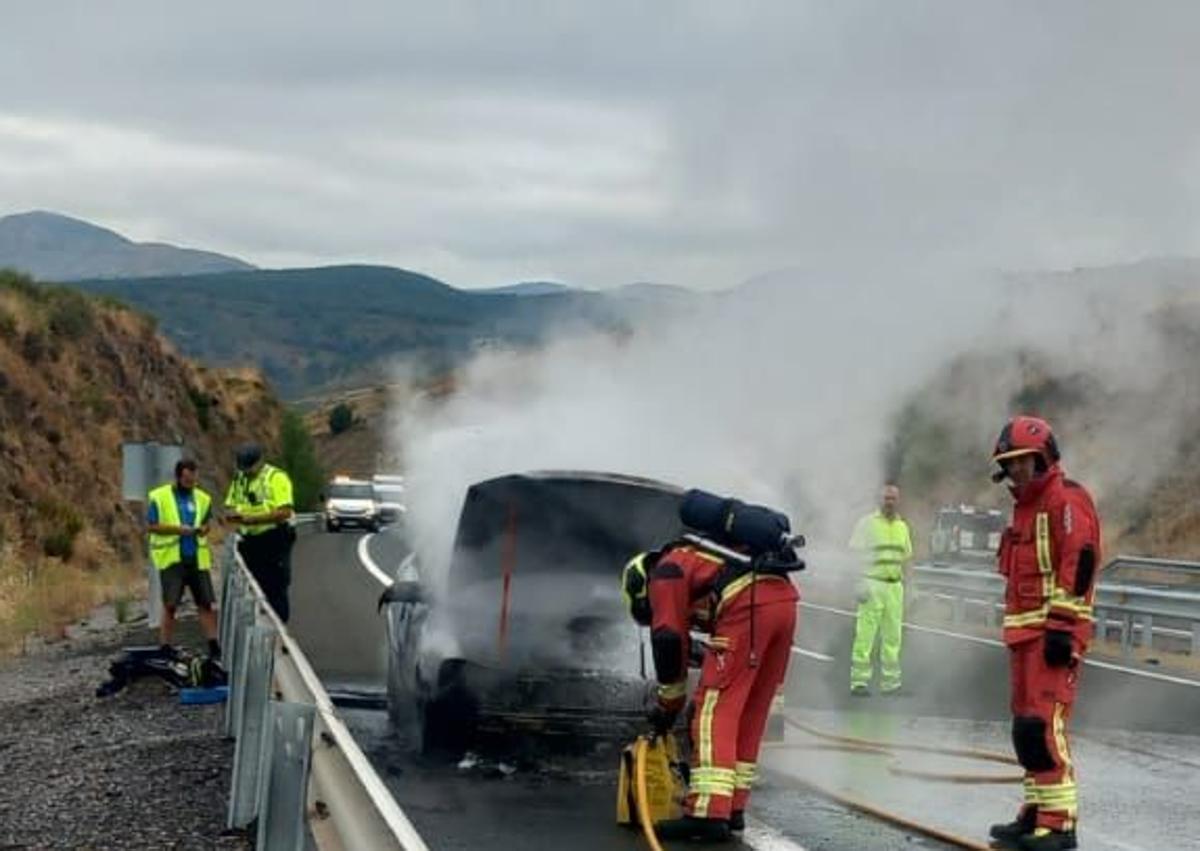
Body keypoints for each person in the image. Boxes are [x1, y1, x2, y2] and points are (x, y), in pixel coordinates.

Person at [621, 511, 799, 842]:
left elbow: (669, 639)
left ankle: (706, 813)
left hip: (749, 604)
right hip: (783, 603)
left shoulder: (666, 573)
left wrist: (668, 705)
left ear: (639, 587)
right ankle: (732, 808)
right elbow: (690, 634)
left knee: (715, 707)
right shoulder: (698, 556)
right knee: (751, 709)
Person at [988, 416, 1100, 851]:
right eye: (1009, 463)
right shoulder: (1025, 507)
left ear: (1043, 457)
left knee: (1043, 728)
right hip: (1022, 635)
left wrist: (1062, 627)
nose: (1016, 470)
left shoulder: (1066, 501)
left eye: (1022, 461)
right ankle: (1035, 813)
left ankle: (1060, 825)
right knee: (1025, 730)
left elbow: (1080, 563)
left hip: (1051, 635)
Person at [146, 458, 219, 659]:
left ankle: (214, 645)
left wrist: (203, 529)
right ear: (179, 477)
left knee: (205, 603)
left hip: (196, 557)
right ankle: (165, 646)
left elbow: (206, 522)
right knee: (170, 605)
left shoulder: (202, 498)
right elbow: (152, 525)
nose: (190, 483)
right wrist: (178, 530)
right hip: (172, 559)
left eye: (193, 479)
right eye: (187, 479)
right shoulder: (160, 497)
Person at [847, 484, 913, 696]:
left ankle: (891, 683)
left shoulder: (903, 526)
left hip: (895, 586)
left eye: (893, 498)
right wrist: (858, 582)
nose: (890, 502)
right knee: (865, 634)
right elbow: (855, 555)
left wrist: (911, 587)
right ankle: (859, 682)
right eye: (886, 498)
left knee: (893, 637)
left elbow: (907, 559)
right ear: (879, 499)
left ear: (898, 500)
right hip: (872, 583)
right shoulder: (866, 524)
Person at [223, 443, 295, 622]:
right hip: (249, 539)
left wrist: (253, 519)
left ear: (260, 461)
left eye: (250, 468)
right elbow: (230, 504)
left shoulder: (276, 478)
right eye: (243, 468)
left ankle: (279, 634)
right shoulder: (240, 479)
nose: (247, 472)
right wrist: (233, 516)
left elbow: (284, 511)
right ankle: (258, 629)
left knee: (275, 587)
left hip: (273, 538)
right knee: (252, 585)